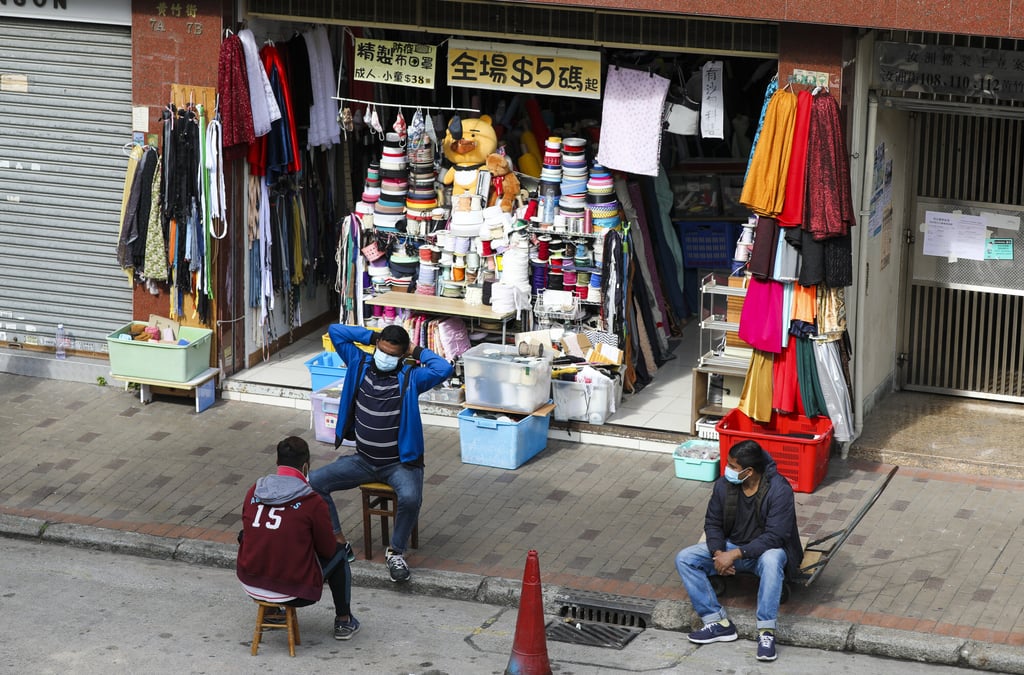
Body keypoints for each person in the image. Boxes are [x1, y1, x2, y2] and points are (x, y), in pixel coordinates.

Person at [310, 323, 453, 583]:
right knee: (315, 483)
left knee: (410, 498)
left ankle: (396, 552)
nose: (385, 358)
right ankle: (338, 541)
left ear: (402, 357)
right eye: (382, 351)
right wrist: (373, 336)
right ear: (376, 347)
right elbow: (335, 331)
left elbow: (444, 369)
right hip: (363, 461)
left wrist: (416, 350)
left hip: (400, 465)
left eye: (392, 354)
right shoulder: (359, 362)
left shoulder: (411, 377)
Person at [674, 440, 803, 662]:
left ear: (749, 471)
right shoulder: (724, 485)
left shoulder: (779, 490)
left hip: (765, 551)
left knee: (773, 561)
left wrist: (733, 555)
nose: (728, 470)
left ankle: (766, 632)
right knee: (685, 558)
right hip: (731, 547)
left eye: (733, 466)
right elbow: (712, 522)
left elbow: (776, 536)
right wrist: (718, 553)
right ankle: (716, 621)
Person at [236, 436, 359, 641]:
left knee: (247, 535)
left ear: (277, 463)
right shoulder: (312, 501)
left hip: (251, 583)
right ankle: (344, 621)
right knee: (340, 552)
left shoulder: (253, 491)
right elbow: (327, 549)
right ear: (305, 467)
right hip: (294, 593)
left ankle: (271, 612)